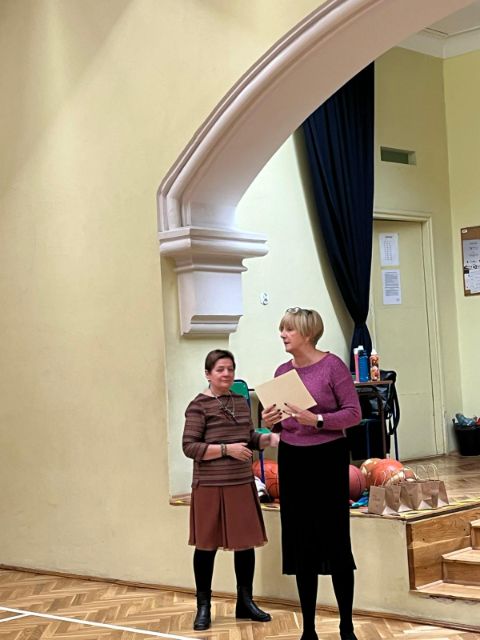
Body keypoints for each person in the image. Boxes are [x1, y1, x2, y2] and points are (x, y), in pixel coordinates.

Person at [262, 308, 362, 640]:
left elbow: (353, 413)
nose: (282, 334)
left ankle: (346, 626)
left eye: (288, 329)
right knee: (301, 541)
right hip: (293, 458)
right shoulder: (281, 372)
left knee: (335, 540)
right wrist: (270, 421)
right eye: (282, 329)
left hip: (327, 457)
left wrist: (317, 420)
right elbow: (279, 424)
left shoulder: (332, 366)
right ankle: (308, 629)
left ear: (307, 333)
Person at [183, 348, 279, 631]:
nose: (226, 374)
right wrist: (226, 450)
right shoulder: (198, 406)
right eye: (220, 370)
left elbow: (248, 438)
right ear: (208, 374)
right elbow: (190, 447)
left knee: (245, 544)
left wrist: (267, 439)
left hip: (240, 482)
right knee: (206, 546)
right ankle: (203, 607)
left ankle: (245, 602)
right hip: (210, 485)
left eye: (230, 369)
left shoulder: (240, 401)